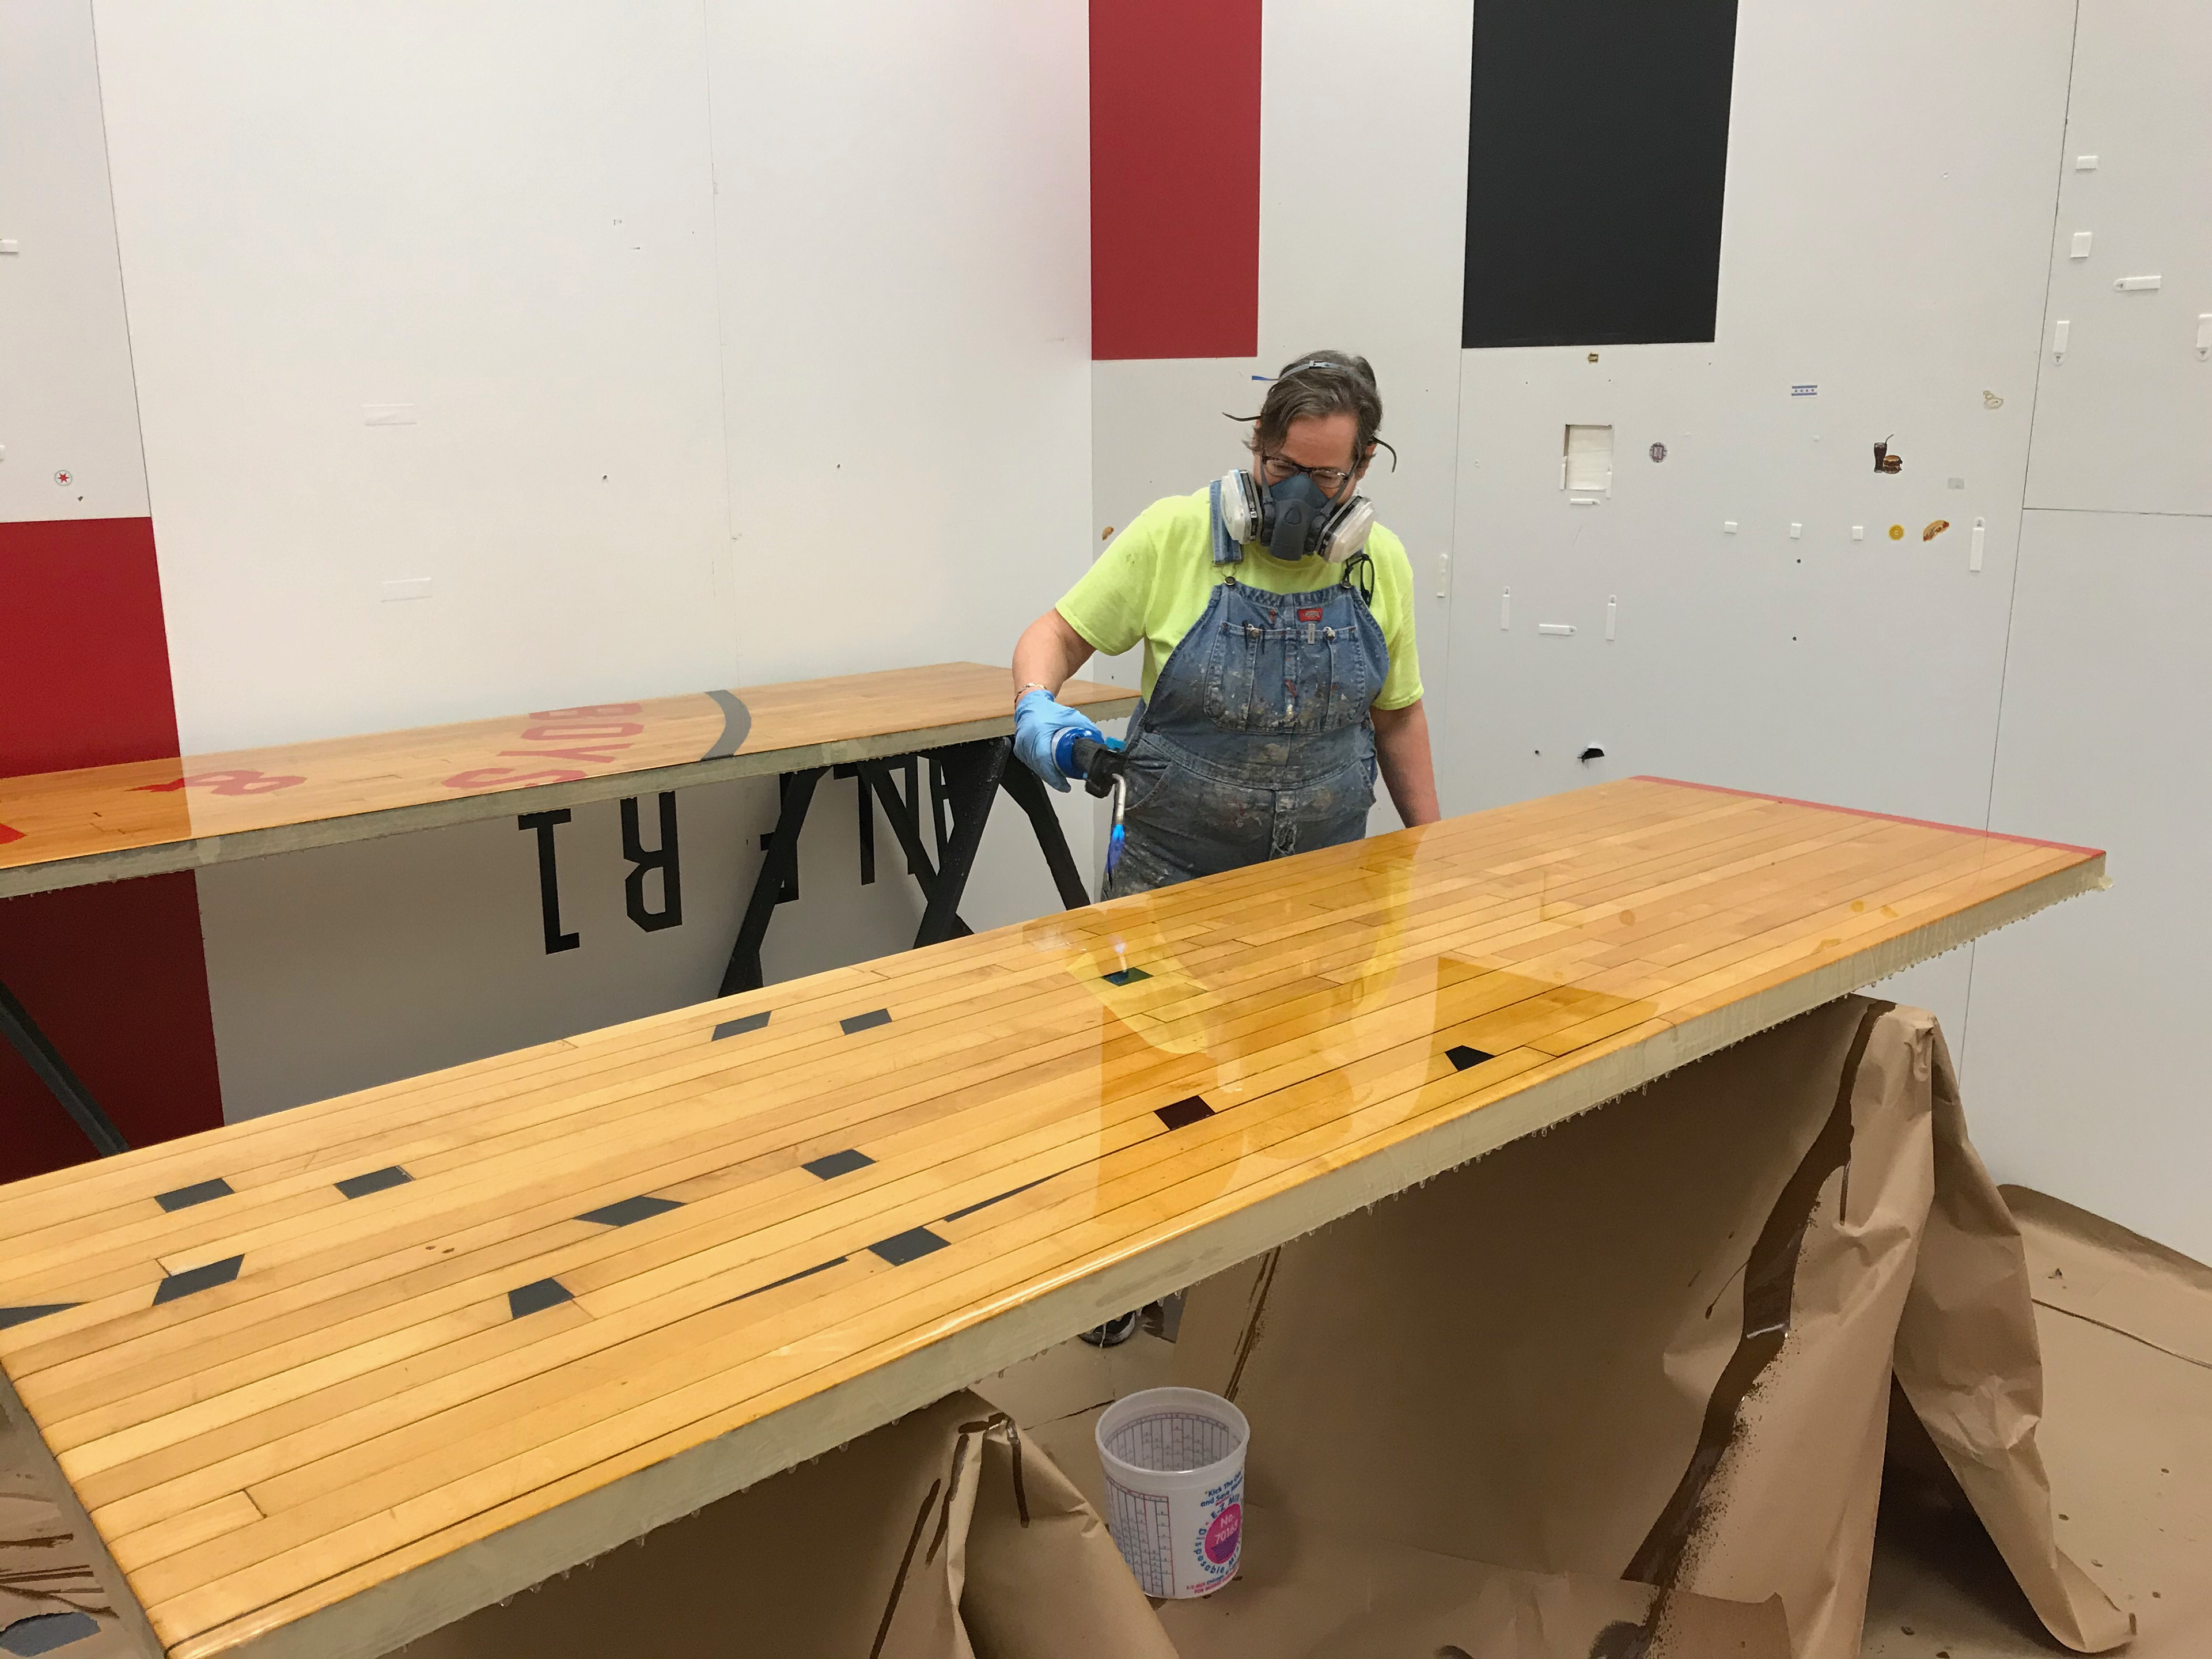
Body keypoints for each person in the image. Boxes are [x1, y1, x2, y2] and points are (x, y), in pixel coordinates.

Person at [1010, 350, 1439, 904]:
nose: (1298, 499)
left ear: (1363, 465)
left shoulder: (1381, 561)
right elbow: (1058, 634)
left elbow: (1399, 717)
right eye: (1283, 467)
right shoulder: (1176, 533)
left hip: (1329, 883)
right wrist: (1035, 702)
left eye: (1327, 477)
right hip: (1169, 880)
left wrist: (1430, 849)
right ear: (1259, 441)